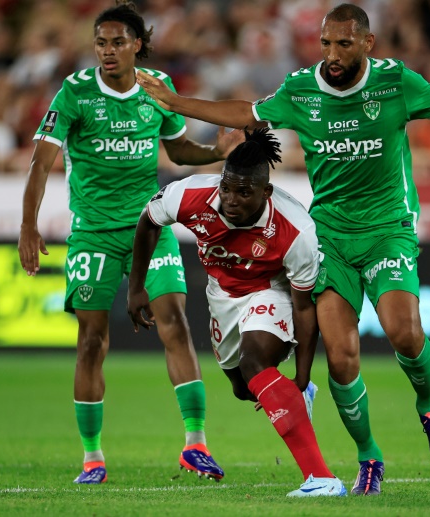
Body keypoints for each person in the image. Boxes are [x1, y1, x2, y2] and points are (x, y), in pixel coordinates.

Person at [135, 2, 430, 496]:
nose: (332, 55)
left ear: (367, 43)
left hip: (388, 228)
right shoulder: (301, 89)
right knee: (341, 360)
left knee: (404, 333)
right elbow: (246, 114)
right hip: (331, 236)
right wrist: (175, 100)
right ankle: (368, 457)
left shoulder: (397, 83)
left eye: (343, 44)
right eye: (325, 44)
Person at [17, 1, 243, 485]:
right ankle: (92, 458)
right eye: (101, 43)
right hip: (93, 234)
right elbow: (41, 163)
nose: (107, 52)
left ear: (137, 44)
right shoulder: (75, 93)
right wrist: (28, 227)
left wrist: (215, 154)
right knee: (91, 342)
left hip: (150, 228)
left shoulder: (156, 90)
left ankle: (195, 445)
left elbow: (179, 150)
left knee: (176, 325)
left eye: (117, 42)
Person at [127, 128, 346, 498]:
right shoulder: (190, 194)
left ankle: (321, 478)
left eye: (244, 193)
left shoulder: (296, 232)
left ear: (266, 192)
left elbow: (304, 308)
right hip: (222, 295)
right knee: (244, 389)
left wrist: (302, 374)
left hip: (270, 291)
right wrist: (136, 287)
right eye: (227, 188)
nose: (230, 199)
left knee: (255, 363)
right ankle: (289, 398)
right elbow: (149, 220)